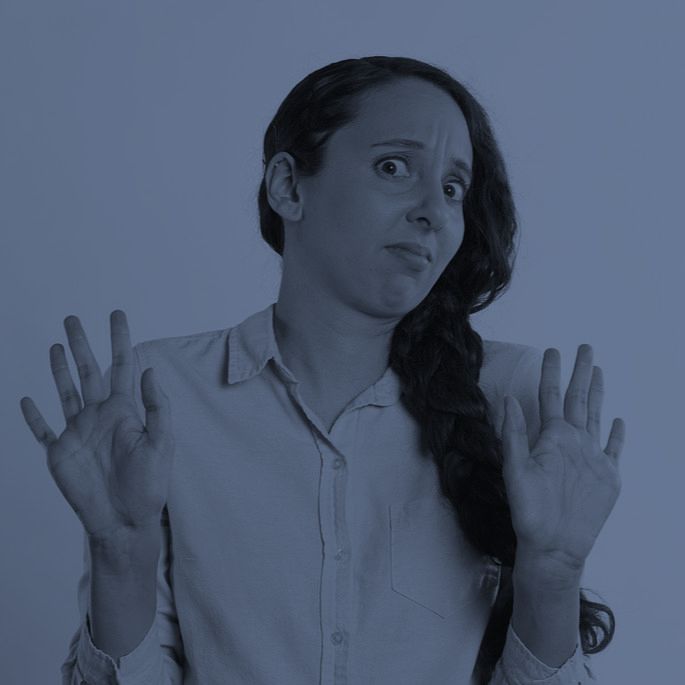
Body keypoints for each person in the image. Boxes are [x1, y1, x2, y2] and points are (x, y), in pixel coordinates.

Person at [21, 56, 625, 684]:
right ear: (288, 186)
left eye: (453, 188)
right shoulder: (162, 395)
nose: (434, 210)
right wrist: (119, 555)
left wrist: (554, 574)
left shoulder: (511, 400)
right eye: (394, 167)